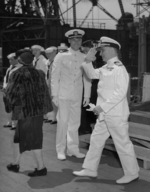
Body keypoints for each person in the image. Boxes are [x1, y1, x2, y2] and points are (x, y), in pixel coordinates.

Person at [73, 36, 140, 184]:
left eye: (102, 50)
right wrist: (88, 61)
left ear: (110, 50)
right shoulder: (106, 67)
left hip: (115, 114)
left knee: (122, 143)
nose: (100, 54)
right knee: (96, 140)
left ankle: (132, 173)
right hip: (104, 114)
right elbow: (91, 74)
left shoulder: (118, 68)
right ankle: (90, 168)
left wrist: (101, 107)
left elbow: (120, 93)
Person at [5, 51, 53, 177]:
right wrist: (46, 109)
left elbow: (10, 93)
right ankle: (15, 163)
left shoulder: (16, 74)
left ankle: (41, 167)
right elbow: (45, 92)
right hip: (36, 112)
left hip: (25, 112)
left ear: (20, 61)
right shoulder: (40, 73)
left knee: (34, 139)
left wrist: (9, 108)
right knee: (18, 137)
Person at [51, 29, 91, 160]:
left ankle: (73, 149)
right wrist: (54, 95)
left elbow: (87, 77)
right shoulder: (61, 56)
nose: (76, 42)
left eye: (79, 39)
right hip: (63, 94)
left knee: (75, 123)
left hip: (77, 95)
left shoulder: (84, 57)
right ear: (69, 41)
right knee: (62, 122)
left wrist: (87, 96)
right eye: (73, 39)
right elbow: (54, 77)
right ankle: (60, 149)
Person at [3, 52, 22, 130]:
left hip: (15, 91)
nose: (10, 61)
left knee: (15, 107)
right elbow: (6, 78)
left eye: (11, 59)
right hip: (7, 90)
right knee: (8, 106)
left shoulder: (20, 68)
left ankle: (15, 124)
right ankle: (9, 122)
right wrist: (4, 87)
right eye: (9, 60)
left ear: (16, 59)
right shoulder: (10, 68)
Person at [45, 46, 58, 124]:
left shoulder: (57, 61)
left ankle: (56, 118)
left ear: (54, 52)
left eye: (49, 53)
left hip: (55, 84)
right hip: (48, 82)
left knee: (55, 101)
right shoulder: (48, 61)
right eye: (46, 53)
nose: (47, 55)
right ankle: (51, 117)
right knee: (50, 101)